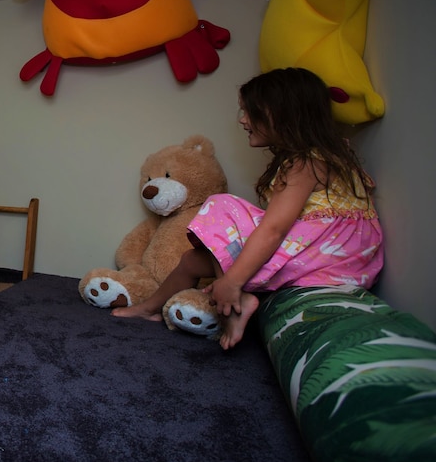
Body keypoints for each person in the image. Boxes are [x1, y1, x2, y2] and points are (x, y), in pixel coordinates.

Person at [112, 67, 384, 350]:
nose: (243, 120)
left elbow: (275, 229)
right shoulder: (324, 157)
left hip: (331, 256)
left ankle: (235, 302)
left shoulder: (306, 163)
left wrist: (232, 282)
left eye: (250, 112)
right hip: (338, 258)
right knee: (193, 260)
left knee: (220, 205)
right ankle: (150, 308)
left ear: (283, 115)